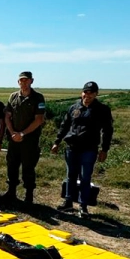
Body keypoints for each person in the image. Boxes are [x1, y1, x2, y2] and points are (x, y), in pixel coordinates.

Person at [51, 81, 114, 217]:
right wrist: (57, 142)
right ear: (82, 92)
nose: (88, 95)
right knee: (70, 176)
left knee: (85, 178)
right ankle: (68, 202)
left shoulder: (102, 110)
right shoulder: (74, 107)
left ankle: (83, 206)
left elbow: (107, 131)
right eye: (86, 92)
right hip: (71, 148)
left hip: (89, 149)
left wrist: (104, 149)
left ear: (96, 94)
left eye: (91, 93)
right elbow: (64, 126)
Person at [3, 71, 46, 204]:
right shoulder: (13, 96)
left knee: (28, 166)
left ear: (31, 81)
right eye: (21, 80)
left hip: (29, 140)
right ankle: (11, 192)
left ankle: (28, 195)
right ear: (18, 82)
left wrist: (22, 134)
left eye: (26, 80)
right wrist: (12, 133)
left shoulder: (38, 98)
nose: (24, 83)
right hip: (14, 139)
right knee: (12, 165)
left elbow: (39, 120)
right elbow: (7, 117)